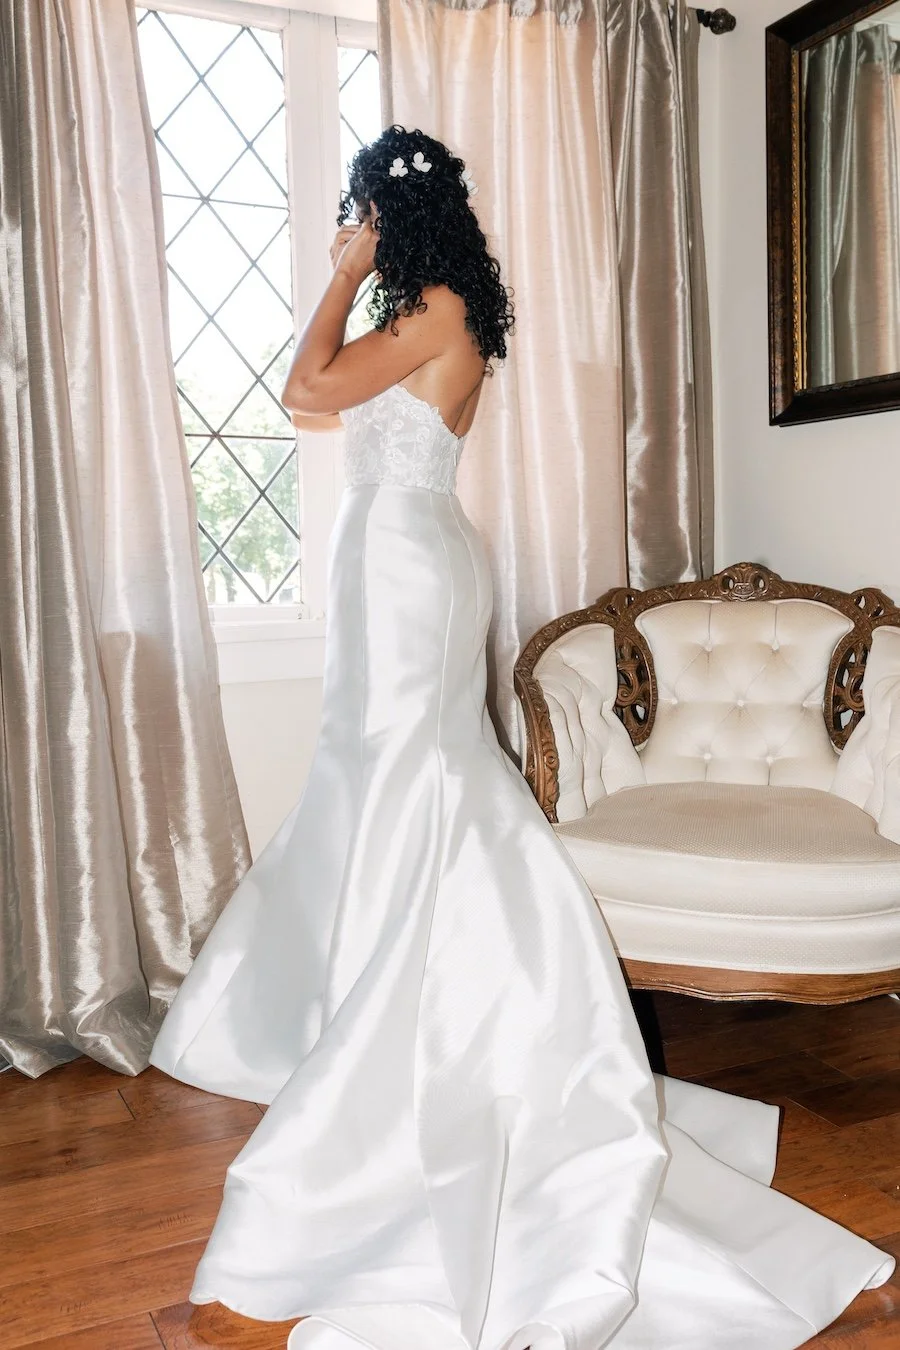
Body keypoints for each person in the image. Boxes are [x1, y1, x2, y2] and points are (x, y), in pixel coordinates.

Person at [151, 127, 893, 1350]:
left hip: (407, 564)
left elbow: (305, 394)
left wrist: (339, 272)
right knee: (373, 776)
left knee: (413, 775)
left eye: (363, 214)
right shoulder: (440, 307)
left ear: (397, 219)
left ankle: (427, 1019)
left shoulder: (434, 306)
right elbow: (338, 414)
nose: (357, 231)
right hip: (388, 560)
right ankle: (355, 1010)